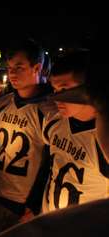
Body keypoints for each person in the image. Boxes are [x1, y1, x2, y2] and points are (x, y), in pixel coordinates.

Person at [0, 39, 56, 234]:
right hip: (0, 194)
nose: (12, 73)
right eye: (9, 68)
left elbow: (54, 162)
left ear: (37, 67)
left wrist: (35, 203)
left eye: (19, 67)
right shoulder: (4, 102)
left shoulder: (50, 109)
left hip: (27, 205)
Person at [41, 49, 109, 213]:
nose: (58, 98)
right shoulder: (53, 121)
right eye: (55, 90)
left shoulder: (103, 138)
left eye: (65, 90)